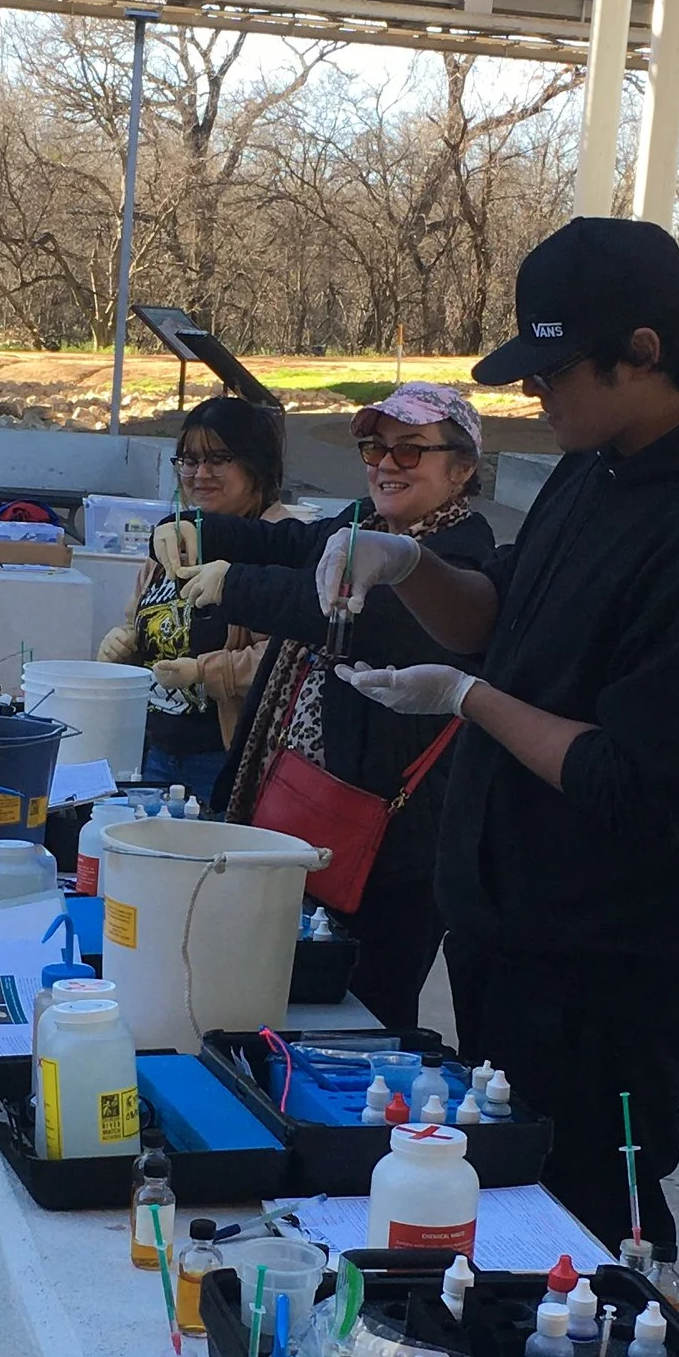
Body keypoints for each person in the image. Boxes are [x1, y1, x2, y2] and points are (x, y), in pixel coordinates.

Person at [317, 221, 679, 1260]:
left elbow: (638, 782)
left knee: (593, 1229)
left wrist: (467, 701)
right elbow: (499, 614)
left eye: (552, 370)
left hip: (616, 973)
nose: (535, 393)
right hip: (512, 938)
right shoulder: (594, 468)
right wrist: (406, 567)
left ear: (643, 350)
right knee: (511, 1216)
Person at [157, 382, 496, 1036]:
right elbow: (292, 544)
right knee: (282, 1003)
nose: (386, 464)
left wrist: (233, 583)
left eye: (410, 449)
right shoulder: (362, 522)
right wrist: (194, 528)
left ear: (461, 468)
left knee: (365, 1016)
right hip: (304, 813)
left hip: (390, 846)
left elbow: (342, 610)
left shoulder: (461, 558)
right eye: (376, 449)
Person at [99, 395, 286, 801]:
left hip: (225, 758)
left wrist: (205, 671)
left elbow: (285, 659)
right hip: (156, 750)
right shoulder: (176, 537)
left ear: (256, 465)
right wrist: (122, 645)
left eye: (218, 459)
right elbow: (141, 621)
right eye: (189, 460)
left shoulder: (281, 545)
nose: (200, 473)